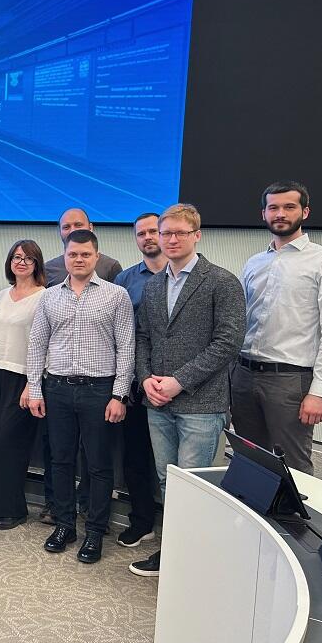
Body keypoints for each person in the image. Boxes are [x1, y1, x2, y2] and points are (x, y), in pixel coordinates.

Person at [129, 203, 246, 578]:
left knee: (195, 485)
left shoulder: (222, 282)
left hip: (201, 403)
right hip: (157, 401)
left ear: (197, 235)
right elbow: (143, 338)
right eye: (166, 233)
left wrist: (178, 381)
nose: (171, 239)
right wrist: (145, 378)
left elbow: (228, 343)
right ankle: (174, 553)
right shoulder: (154, 285)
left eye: (180, 233)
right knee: (168, 481)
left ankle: (196, 564)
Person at [27, 229, 134, 564]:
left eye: (85, 254)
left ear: (96, 257)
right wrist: (34, 389)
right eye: (73, 254)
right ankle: (65, 525)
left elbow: (126, 348)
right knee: (60, 461)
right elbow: (37, 345)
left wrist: (119, 395)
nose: (79, 259)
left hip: (99, 391)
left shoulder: (116, 296)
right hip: (57, 389)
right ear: (65, 256)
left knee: (98, 465)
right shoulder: (49, 296)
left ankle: (95, 532)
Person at [231, 181, 322, 476]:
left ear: (305, 212)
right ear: (263, 213)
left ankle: (294, 510)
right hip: (244, 376)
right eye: (273, 207)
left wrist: (320, 392)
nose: (280, 214)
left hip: (290, 380)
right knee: (250, 461)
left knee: (293, 467)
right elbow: (240, 321)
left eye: (289, 207)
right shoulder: (254, 263)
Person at [111, 213, 165, 549]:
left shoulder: (187, 277)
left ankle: (179, 530)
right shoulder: (125, 279)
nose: (148, 237)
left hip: (176, 384)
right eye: (141, 233)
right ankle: (142, 521)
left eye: (153, 231)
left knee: (172, 463)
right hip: (135, 383)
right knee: (136, 456)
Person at [0, 240, 46, 529]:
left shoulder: (44, 297)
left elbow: (45, 343)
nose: (21, 262)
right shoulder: (2, 294)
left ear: (36, 263)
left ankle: (14, 509)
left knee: (10, 444)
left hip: (24, 378)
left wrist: (33, 383)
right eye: (17, 257)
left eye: (28, 258)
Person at [43, 208, 123, 287]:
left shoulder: (110, 266)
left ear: (90, 227)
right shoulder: (48, 269)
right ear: (60, 231)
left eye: (78, 225)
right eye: (66, 227)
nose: (72, 230)